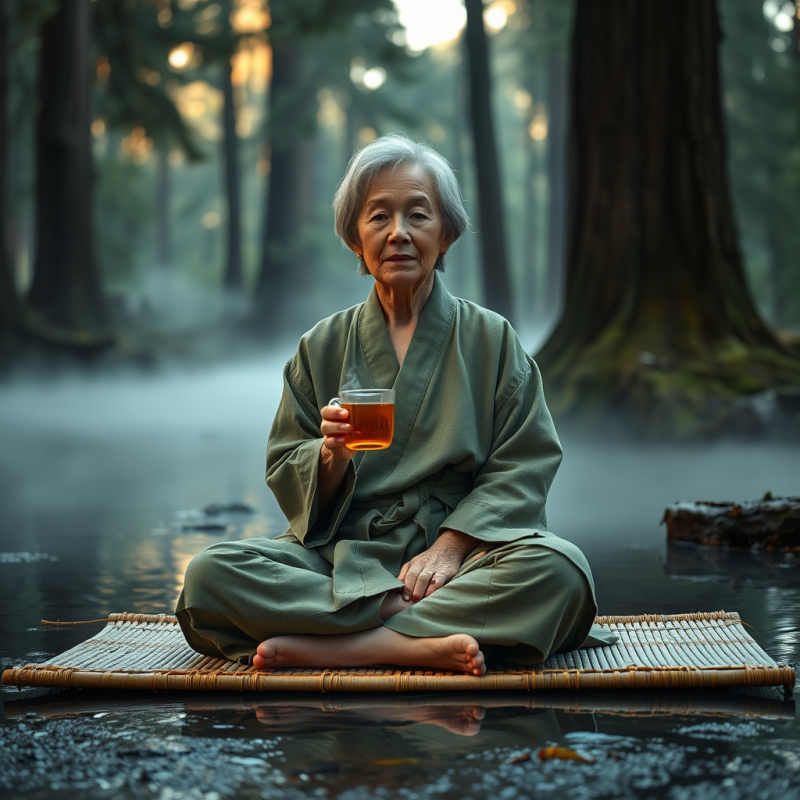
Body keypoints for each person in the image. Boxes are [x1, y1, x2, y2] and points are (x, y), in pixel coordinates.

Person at [176, 133, 617, 675]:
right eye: (379, 217)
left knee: (562, 571)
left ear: (447, 235)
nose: (399, 233)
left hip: (463, 556)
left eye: (418, 215)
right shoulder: (322, 346)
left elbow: (527, 462)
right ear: (355, 239)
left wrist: (452, 546)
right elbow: (287, 464)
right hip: (344, 554)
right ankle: (404, 631)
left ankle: (341, 645)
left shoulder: (491, 340)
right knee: (208, 575)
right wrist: (331, 455)